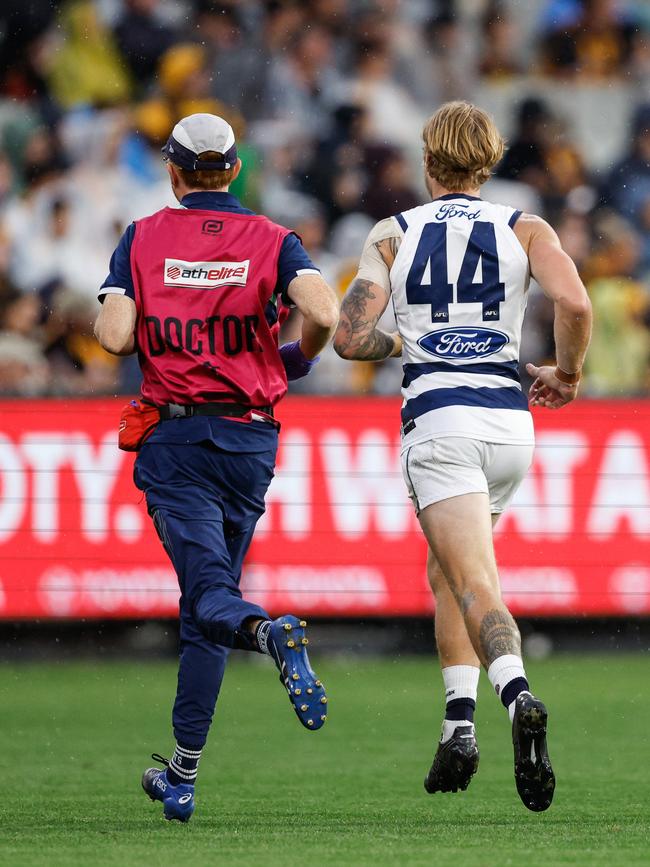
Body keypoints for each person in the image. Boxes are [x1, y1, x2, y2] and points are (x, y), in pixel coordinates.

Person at [333, 101, 592, 812]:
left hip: (440, 424)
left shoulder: (393, 233)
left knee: (475, 582)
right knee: (448, 571)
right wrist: (565, 374)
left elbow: (350, 338)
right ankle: (458, 725)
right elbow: (574, 304)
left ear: (427, 161)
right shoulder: (524, 225)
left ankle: (518, 696)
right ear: (491, 159)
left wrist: (409, 345)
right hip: (509, 426)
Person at [94, 113, 339, 823]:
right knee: (207, 604)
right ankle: (183, 773)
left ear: (173, 171)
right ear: (233, 170)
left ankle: (269, 633)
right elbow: (320, 310)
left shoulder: (142, 236)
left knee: (208, 593)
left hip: (177, 438)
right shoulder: (271, 238)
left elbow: (113, 337)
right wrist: (290, 359)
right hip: (250, 440)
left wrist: (146, 308)